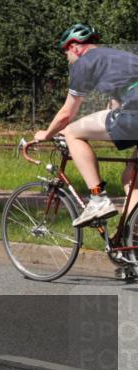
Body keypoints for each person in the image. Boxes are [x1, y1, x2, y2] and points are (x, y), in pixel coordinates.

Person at [33, 23, 138, 230]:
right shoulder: (118, 56)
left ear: (74, 46)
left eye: (65, 51)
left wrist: (46, 134)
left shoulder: (84, 62)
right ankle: (131, 241)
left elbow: (66, 114)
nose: (66, 58)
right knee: (132, 177)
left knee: (72, 131)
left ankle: (98, 199)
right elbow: (122, 92)